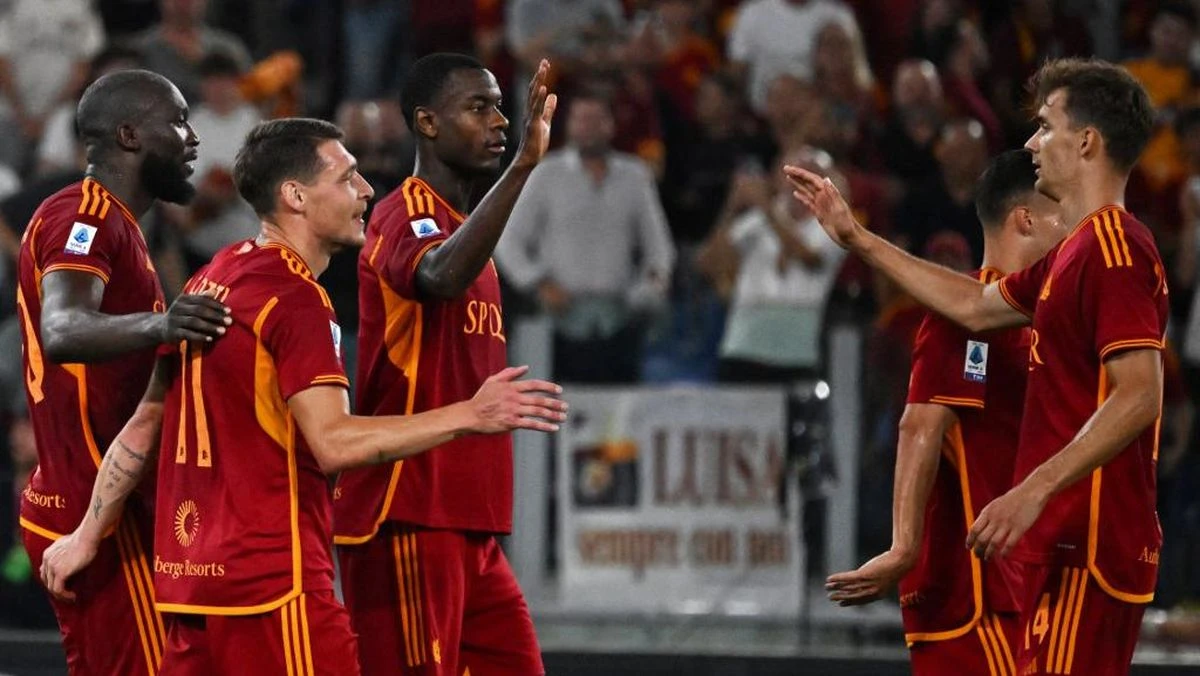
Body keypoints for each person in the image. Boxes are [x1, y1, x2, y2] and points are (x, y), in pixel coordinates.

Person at [38, 117, 568, 674]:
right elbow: (334, 443)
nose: (366, 191)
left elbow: (149, 419)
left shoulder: (214, 276)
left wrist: (87, 534)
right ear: (295, 196)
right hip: (275, 591)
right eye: (346, 177)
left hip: (193, 594)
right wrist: (471, 413)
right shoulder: (296, 299)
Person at [789, 57, 1164, 674]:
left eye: (1046, 126)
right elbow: (975, 306)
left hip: (1088, 539)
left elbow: (1140, 395)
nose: (1032, 143)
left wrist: (1032, 490)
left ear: (1087, 141)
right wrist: (857, 239)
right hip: (1058, 547)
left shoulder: (1113, 246)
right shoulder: (1073, 256)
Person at [333, 52, 556, 675]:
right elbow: (438, 276)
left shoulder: (466, 229)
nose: (500, 122)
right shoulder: (403, 211)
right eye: (478, 107)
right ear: (427, 123)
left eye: (500, 107)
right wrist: (523, 166)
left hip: (469, 522)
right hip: (409, 510)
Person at [16, 69, 230, 674]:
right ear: (130, 135)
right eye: (179, 122)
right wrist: (164, 325)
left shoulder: (121, 224)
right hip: (90, 507)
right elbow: (63, 330)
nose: (193, 138)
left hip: (111, 502)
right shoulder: (83, 215)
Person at [826, 149, 1064, 674]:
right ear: (1026, 218)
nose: (1074, 230)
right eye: (1063, 213)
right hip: (974, 595)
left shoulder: (1038, 319)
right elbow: (921, 424)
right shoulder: (961, 316)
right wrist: (903, 547)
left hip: (1026, 587)